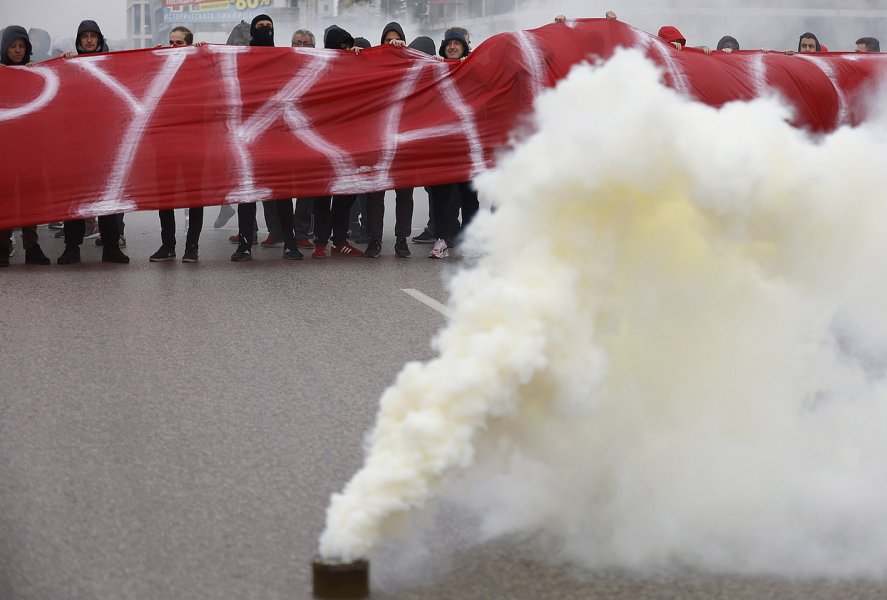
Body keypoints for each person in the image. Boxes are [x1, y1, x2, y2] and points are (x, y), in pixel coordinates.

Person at [58, 20, 129, 265]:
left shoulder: (112, 65)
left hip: (106, 145)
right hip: (77, 146)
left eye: (93, 36)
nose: (88, 40)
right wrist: (63, 65)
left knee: (107, 198)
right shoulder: (70, 65)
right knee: (75, 199)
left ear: (99, 39)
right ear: (79, 40)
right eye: (84, 36)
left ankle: (111, 247)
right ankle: (71, 248)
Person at [149, 26, 205, 263]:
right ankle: (168, 245)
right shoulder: (160, 67)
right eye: (171, 43)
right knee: (166, 197)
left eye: (179, 43)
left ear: (188, 44)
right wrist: (151, 59)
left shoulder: (198, 67)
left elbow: (215, 78)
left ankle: (192, 247)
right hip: (165, 143)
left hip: (194, 142)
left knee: (195, 197)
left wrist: (202, 55)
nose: (173, 47)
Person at [310, 25, 365, 259]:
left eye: (347, 44)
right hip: (323, 144)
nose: (345, 49)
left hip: (350, 144)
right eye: (340, 45)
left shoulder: (356, 63)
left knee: (345, 197)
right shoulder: (318, 67)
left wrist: (364, 58)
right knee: (323, 197)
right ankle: (320, 242)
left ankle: (340, 240)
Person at [0, 26, 51, 267]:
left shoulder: (37, 72)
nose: (18, 51)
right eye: (13, 46)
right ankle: (2, 245)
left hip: (31, 149)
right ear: (5, 48)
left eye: (22, 46)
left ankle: (32, 246)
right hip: (4, 149)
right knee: (5, 197)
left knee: (30, 197)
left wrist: (34, 74)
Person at [363, 22, 414, 258]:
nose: (391, 43)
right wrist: (355, 52)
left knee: (404, 194)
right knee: (376, 194)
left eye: (396, 39)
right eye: (386, 40)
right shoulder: (372, 65)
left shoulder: (413, 63)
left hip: (405, 141)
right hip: (378, 141)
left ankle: (402, 239)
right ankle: (375, 240)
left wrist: (404, 51)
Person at [428, 29, 480, 259]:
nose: (452, 47)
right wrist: (433, 64)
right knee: (440, 197)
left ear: (464, 47)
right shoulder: (432, 67)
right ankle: (442, 239)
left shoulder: (474, 68)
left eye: (457, 43)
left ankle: (470, 239)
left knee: (469, 196)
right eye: (449, 43)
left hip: (467, 145)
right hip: (441, 146)